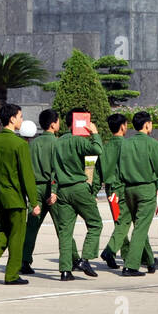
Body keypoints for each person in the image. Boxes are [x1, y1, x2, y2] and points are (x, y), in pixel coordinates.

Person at [0, 104, 40, 285]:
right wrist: (34, 201)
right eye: (20, 116)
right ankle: (11, 274)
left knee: (4, 230)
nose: (22, 120)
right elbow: (27, 176)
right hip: (15, 198)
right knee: (17, 236)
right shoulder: (20, 144)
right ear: (12, 119)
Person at [52, 109, 103, 279]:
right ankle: (85, 258)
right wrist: (94, 133)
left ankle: (65, 270)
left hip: (63, 190)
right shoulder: (79, 141)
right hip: (79, 187)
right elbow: (97, 150)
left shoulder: (57, 142)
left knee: (65, 231)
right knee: (95, 223)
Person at [97, 113, 151, 270]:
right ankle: (135, 257)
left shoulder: (105, 147)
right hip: (123, 188)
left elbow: (98, 172)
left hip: (110, 190)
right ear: (122, 126)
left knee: (120, 223)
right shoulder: (127, 145)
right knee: (134, 223)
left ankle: (120, 255)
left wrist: (94, 191)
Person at [118, 110, 158, 276]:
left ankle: (149, 260)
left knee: (139, 225)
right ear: (147, 124)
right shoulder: (152, 143)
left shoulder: (125, 144)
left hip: (128, 189)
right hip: (146, 189)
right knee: (141, 228)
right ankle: (131, 266)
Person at [21, 108, 60, 275]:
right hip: (51, 187)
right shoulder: (58, 143)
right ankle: (73, 258)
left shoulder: (32, 143)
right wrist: (55, 190)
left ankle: (24, 260)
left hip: (35, 188)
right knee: (63, 227)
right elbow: (58, 169)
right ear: (53, 124)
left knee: (31, 227)